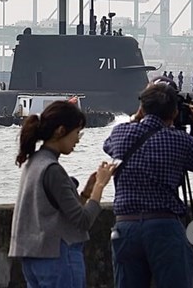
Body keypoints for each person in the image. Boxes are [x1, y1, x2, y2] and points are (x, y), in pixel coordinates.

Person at [103, 78, 193, 288]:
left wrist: (137, 116)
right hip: (163, 227)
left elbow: (108, 146)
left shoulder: (120, 133)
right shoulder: (178, 140)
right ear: (175, 112)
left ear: (142, 107)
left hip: (125, 227)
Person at [9, 100, 117, 288]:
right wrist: (100, 185)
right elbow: (83, 221)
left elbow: (61, 211)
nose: (78, 140)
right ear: (60, 131)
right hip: (58, 257)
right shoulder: (53, 170)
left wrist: (86, 193)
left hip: (32, 257)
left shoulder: (34, 162)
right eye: (76, 133)